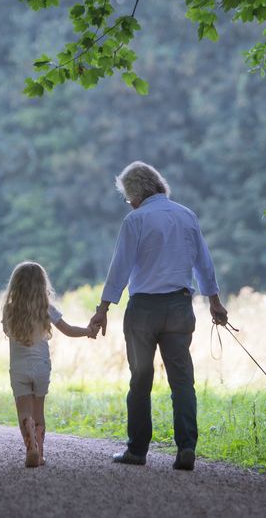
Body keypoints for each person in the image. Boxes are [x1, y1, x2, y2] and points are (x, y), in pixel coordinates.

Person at [89, 161, 228, 471]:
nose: (129, 202)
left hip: (143, 312)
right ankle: (186, 449)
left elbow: (119, 269)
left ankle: (137, 450)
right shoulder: (187, 216)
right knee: (182, 381)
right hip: (179, 308)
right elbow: (203, 264)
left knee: (140, 380)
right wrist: (215, 302)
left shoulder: (135, 220)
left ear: (136, 193)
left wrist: (102, 309)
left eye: (127, 196)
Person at [2, 261, 97, 468]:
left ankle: (31, 449)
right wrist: (89, 331)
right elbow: (69, 330)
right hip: (42, 367)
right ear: (42, 285)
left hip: (19, 368)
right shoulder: (47, 309)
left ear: (15, 285)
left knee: (24, 412)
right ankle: (41, 453)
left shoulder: (9, 310)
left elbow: (6, 331)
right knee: (39, 411)